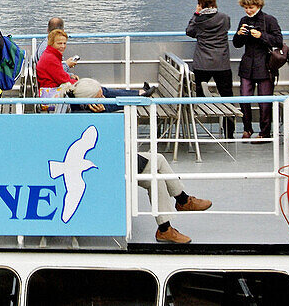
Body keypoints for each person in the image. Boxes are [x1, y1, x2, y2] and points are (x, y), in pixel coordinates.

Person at [61, 78, 211, 243]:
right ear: (89, 102)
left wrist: (137, 95)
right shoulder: (83, 117)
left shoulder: (85, 104)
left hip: (112, 157)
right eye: (100, 97)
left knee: (156, 174)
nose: (103, 99)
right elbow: (105, 138)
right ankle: (180, 205)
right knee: (156, 170)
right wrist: (102, 116)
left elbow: (111, 98)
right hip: (108, 164)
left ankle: (169, 222)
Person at [232, 0, 282, 141]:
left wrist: (262, 36)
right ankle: (247, 129)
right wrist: (239, 35)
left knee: (264, 101)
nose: (248, 10)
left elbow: (278, 41)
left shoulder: (269, 20)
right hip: (247, 65)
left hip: (265, 65)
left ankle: (265, 133)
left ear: (258, 6)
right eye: (246, 8)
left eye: (251, 7)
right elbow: (236, 44)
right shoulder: (243, 20)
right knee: (244, 98)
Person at [185, 0, 234, 139]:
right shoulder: (225, 18)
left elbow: (189, 31)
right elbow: (226, 28)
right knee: (227, 97)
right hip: (221, 63)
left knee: (199, 97)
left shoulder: (199, 20)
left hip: (202, 63)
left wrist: (196, 14)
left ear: (200, 3)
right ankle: (229, 133)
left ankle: (197, 132)